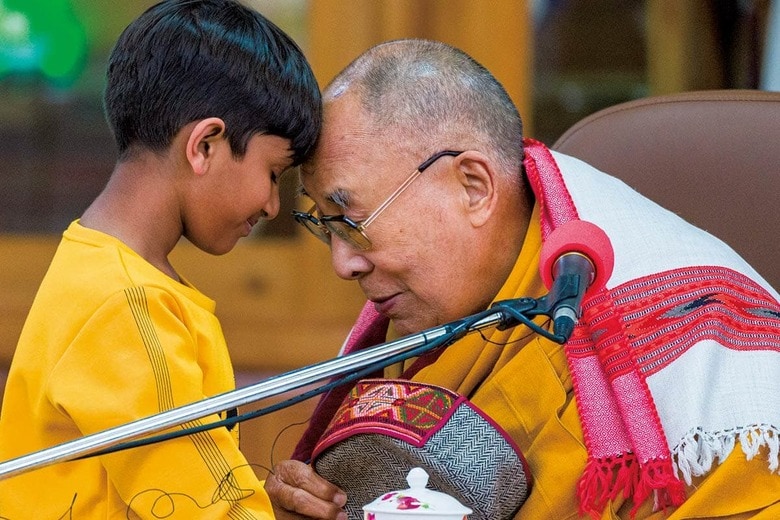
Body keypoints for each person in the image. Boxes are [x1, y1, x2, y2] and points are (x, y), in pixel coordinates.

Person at [265, 39, 780, 519]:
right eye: (324, 225)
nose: (343, 264)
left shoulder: (704, 363)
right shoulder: (425, 315)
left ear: (474, 187)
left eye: (353, 221)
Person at [0, 1, 348, 518]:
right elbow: (201, 510)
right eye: (274, 173)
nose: (273, 204)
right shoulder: (131, 306)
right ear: (205, 145)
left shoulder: (97, 269)